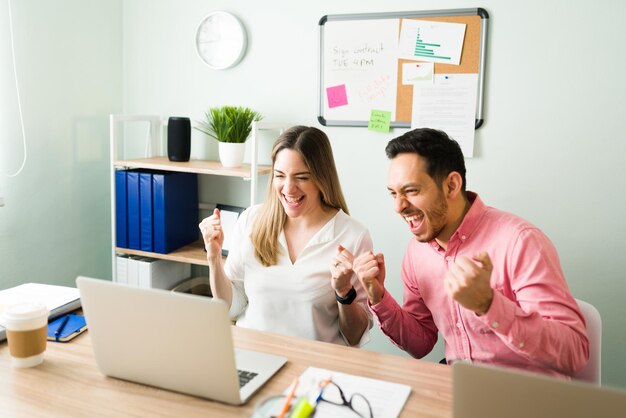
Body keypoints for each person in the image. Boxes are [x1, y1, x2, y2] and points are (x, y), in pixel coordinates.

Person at [350, 128, 589, 378]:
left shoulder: (520, 242)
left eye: (411, 191)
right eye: (393, 193)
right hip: (461, 391)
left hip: (528, 396)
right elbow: (421, 344)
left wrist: (489, 304)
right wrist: (378, 297)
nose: (399, 207)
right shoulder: (416, 252)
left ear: (452, 185)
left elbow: (574, 353)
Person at [199, 126, 372, 346]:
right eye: (280, 175)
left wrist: (344, 292)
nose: (289, 188)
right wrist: (213, 258)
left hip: (315, 367)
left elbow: (354, 335)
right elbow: (231, 306)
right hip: (252, 354)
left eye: (301, 177)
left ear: (322, 178)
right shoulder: (252, 220)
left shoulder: (352, 236)